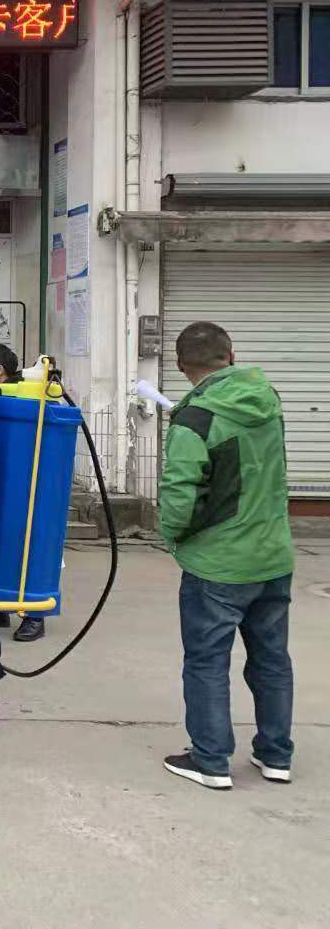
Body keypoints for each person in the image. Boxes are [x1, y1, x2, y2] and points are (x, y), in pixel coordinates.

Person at [160, 321, 295, 790]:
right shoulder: (268, 399)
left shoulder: (193, 419)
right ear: (231, 356)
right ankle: (276, 756)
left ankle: (211, 759)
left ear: (181, 366)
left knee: (206, 661)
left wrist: (173, 539)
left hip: (217, 564)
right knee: (272, 659)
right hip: (273, 554)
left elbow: (179, 497)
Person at [0, 344, 47, 644]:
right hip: (1, 478)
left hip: (27, 483)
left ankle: (34, 615)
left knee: (28, 546)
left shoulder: (25, 394)